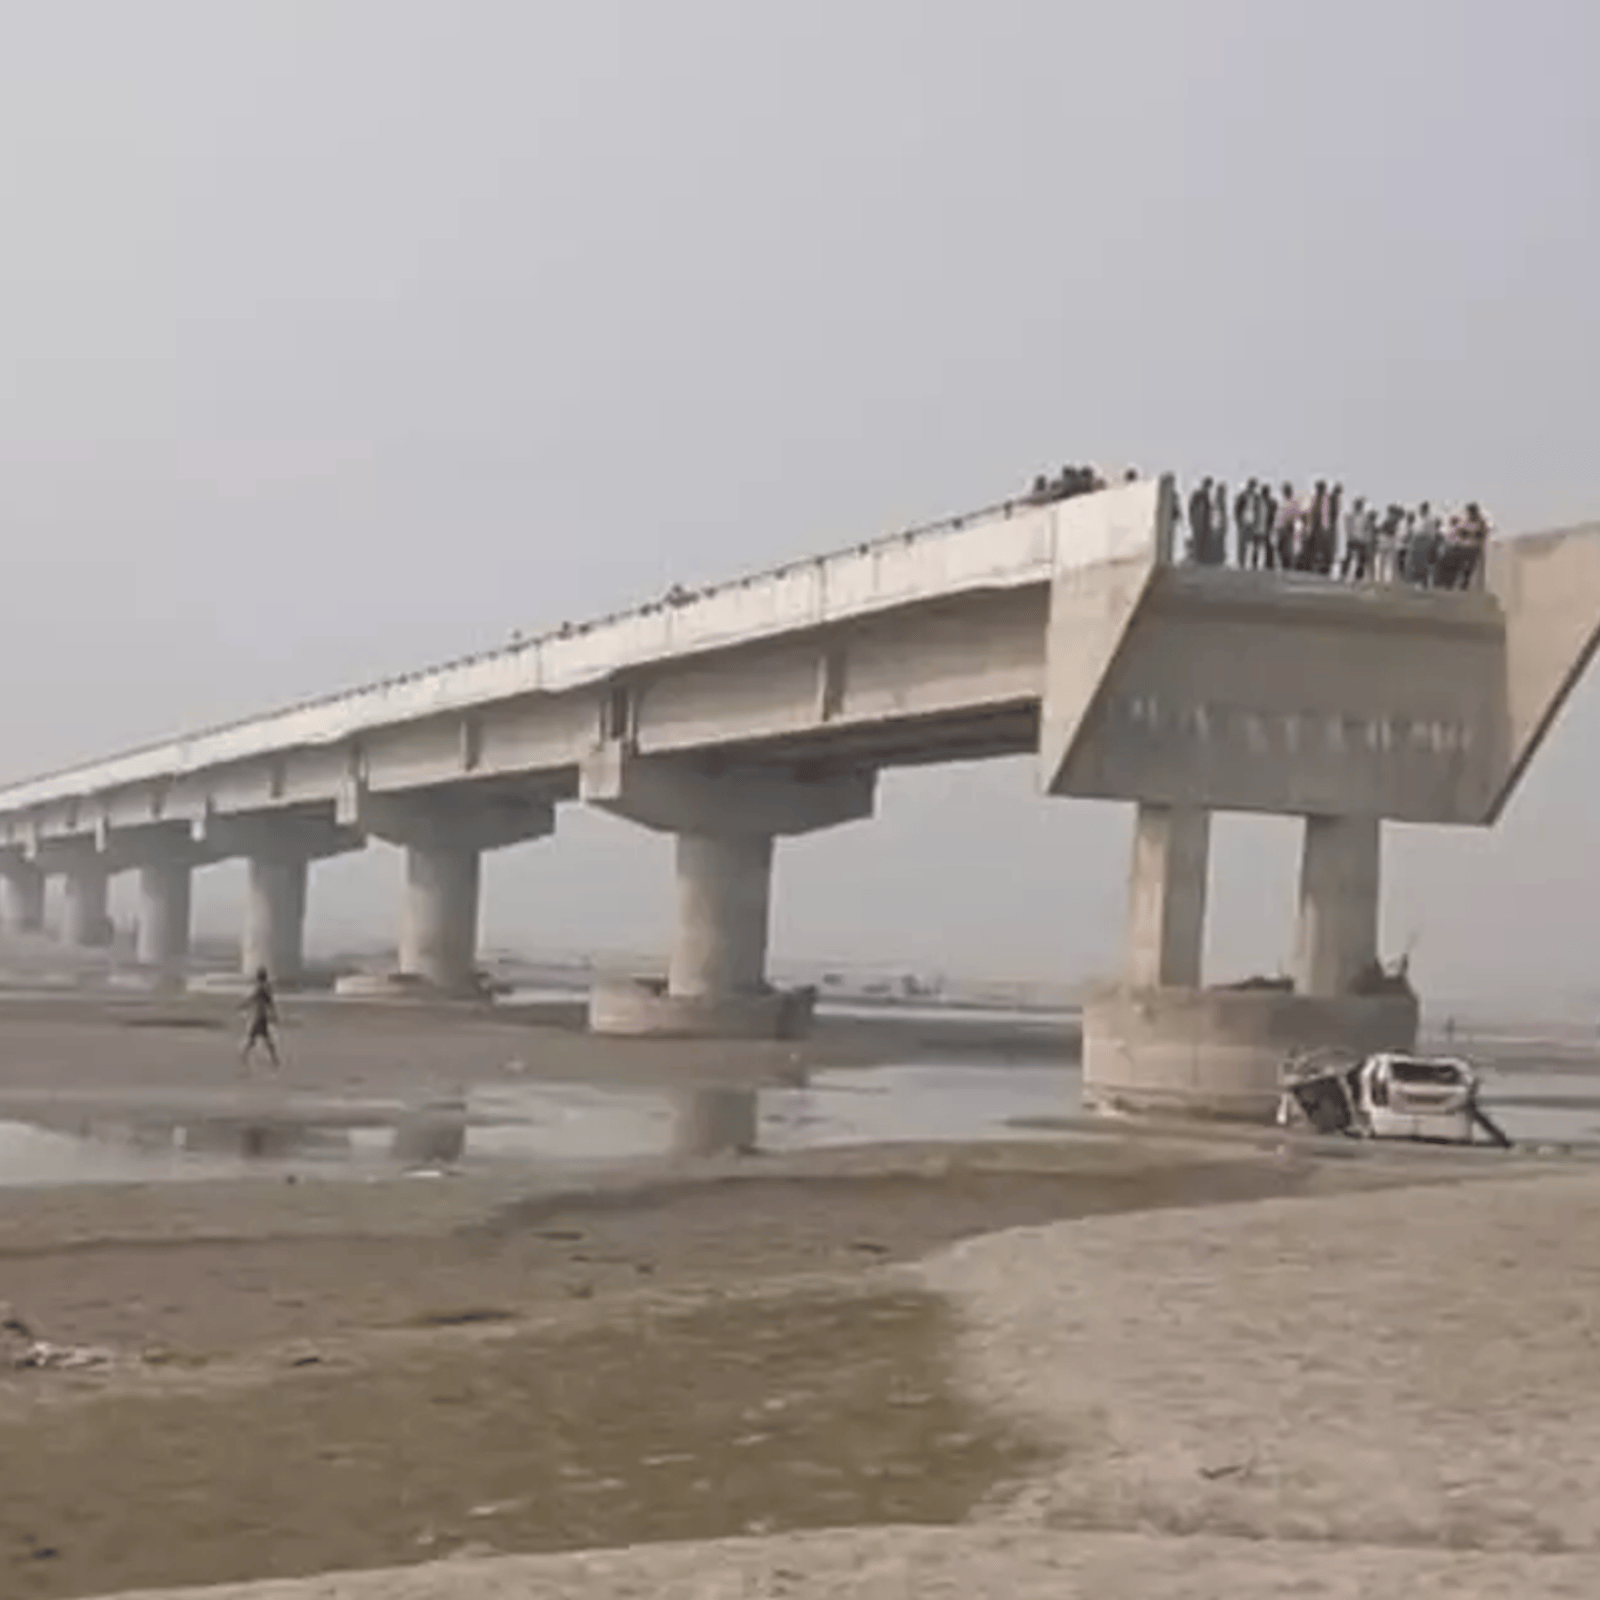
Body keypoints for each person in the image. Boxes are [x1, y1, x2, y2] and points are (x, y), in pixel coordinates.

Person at [240, 966, 280, 1068]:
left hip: (258, 1017)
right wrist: (274, 1014)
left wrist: (241, 1005)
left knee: (253, 1038)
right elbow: (270, 1003)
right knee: (266, 1039)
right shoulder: (266, 988)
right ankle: (274, 1059)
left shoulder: (260, 988)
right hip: (263, 1017)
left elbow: (251, 999)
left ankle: (243, 1056)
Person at [1340, 494, 1370, 580]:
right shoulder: (1350, 515)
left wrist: (1365, 538)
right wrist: (1350, 536)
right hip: (1352, 539)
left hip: (1361, 539)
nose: (1358, 506)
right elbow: (1348, 528)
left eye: (1360, 504)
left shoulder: (1364, 517)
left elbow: (1366, 528)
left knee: (1361, 559)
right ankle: (1343, 574)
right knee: (1348, 557)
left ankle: (1358, 576)